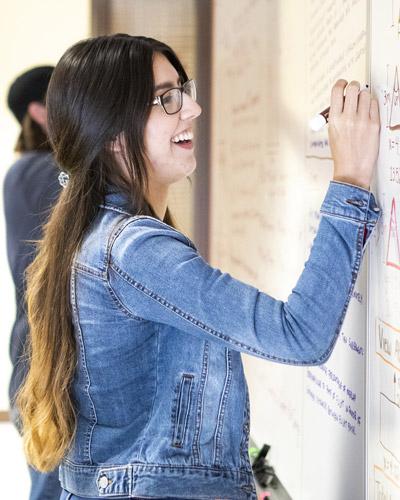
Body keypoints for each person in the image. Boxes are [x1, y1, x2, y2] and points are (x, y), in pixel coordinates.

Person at [15, 34, 381, 500]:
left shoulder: (101, 234)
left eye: (184, 91)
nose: (192, 109)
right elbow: (299, 335)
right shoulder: (134, 249)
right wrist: (349, 179)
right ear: (110, 132)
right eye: (166, 99)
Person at [3, 66, 62, 499]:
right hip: (45, 369)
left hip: (40, 365)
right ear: (40, 111)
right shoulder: (41, 171)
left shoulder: (30, 171)